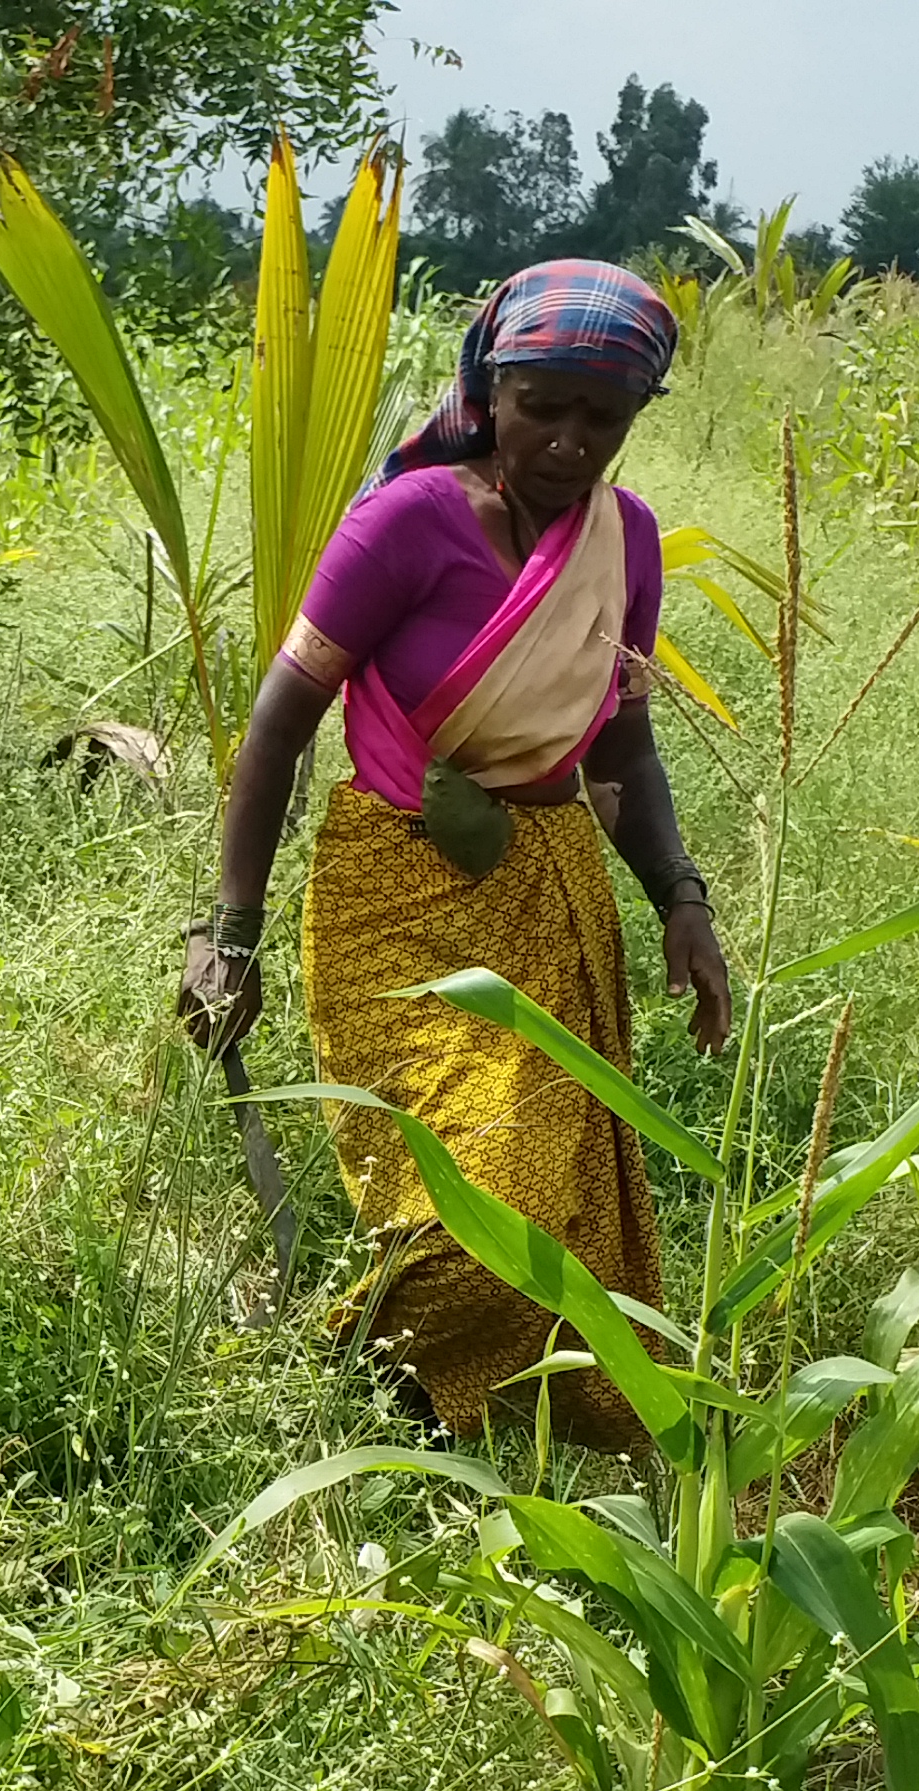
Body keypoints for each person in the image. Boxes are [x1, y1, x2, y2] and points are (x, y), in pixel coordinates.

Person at [177, 259, 733, 1450]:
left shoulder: (625, 543)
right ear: (492, 390)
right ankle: (359, 1368)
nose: (573, 442)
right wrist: (229, 932)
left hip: (553, 893)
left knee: (559, 1202)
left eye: (606, 417)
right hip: (398, 889)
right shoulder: (409, 524)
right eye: (547, 406)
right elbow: (281, 721)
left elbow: (621, 741)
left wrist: (680, 898)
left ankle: (421, 1408)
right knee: (478, 1197)